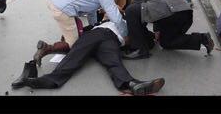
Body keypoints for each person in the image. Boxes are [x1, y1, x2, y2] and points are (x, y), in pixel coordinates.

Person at [12, 20, 165, 96]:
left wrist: (153, 37)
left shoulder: (129, 22)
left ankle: (132, 84)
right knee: (76, 55)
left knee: (112, 62)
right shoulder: (106, 21)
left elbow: (149, 39)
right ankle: (49, 79)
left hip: (112, 40)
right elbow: (79, 33)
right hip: (99, 33)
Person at [32, 0, 126, 67]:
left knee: (74, 29)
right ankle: (46, 48)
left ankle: (65, 38)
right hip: (62, 8)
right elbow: (116, 18)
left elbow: (91, 10)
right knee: (76, 45)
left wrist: (94, 26)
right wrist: (125, 34)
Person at [122, 0, 214, 60]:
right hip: (183, 13)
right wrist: (156, 30)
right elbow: (155, 6)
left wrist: (135, 30)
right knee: (166, 42)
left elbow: (138, 5)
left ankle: (139, 49)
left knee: (131, 10)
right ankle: (202, 38)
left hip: (171, 11)